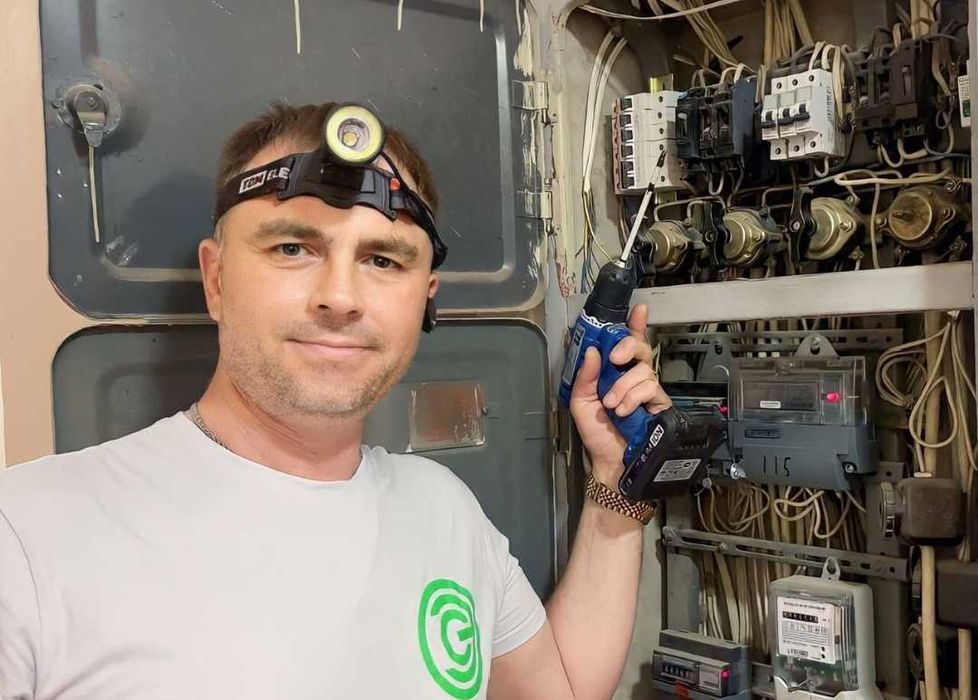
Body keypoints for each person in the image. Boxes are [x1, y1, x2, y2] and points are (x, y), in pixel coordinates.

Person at [0, 102, 671, 699]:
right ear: (216, 279)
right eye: (293, 247)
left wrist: (616, 480)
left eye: (383, 260)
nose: (341, 297)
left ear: (424, 300)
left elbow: (559, 691)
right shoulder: (28, 536)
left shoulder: (443, 509)